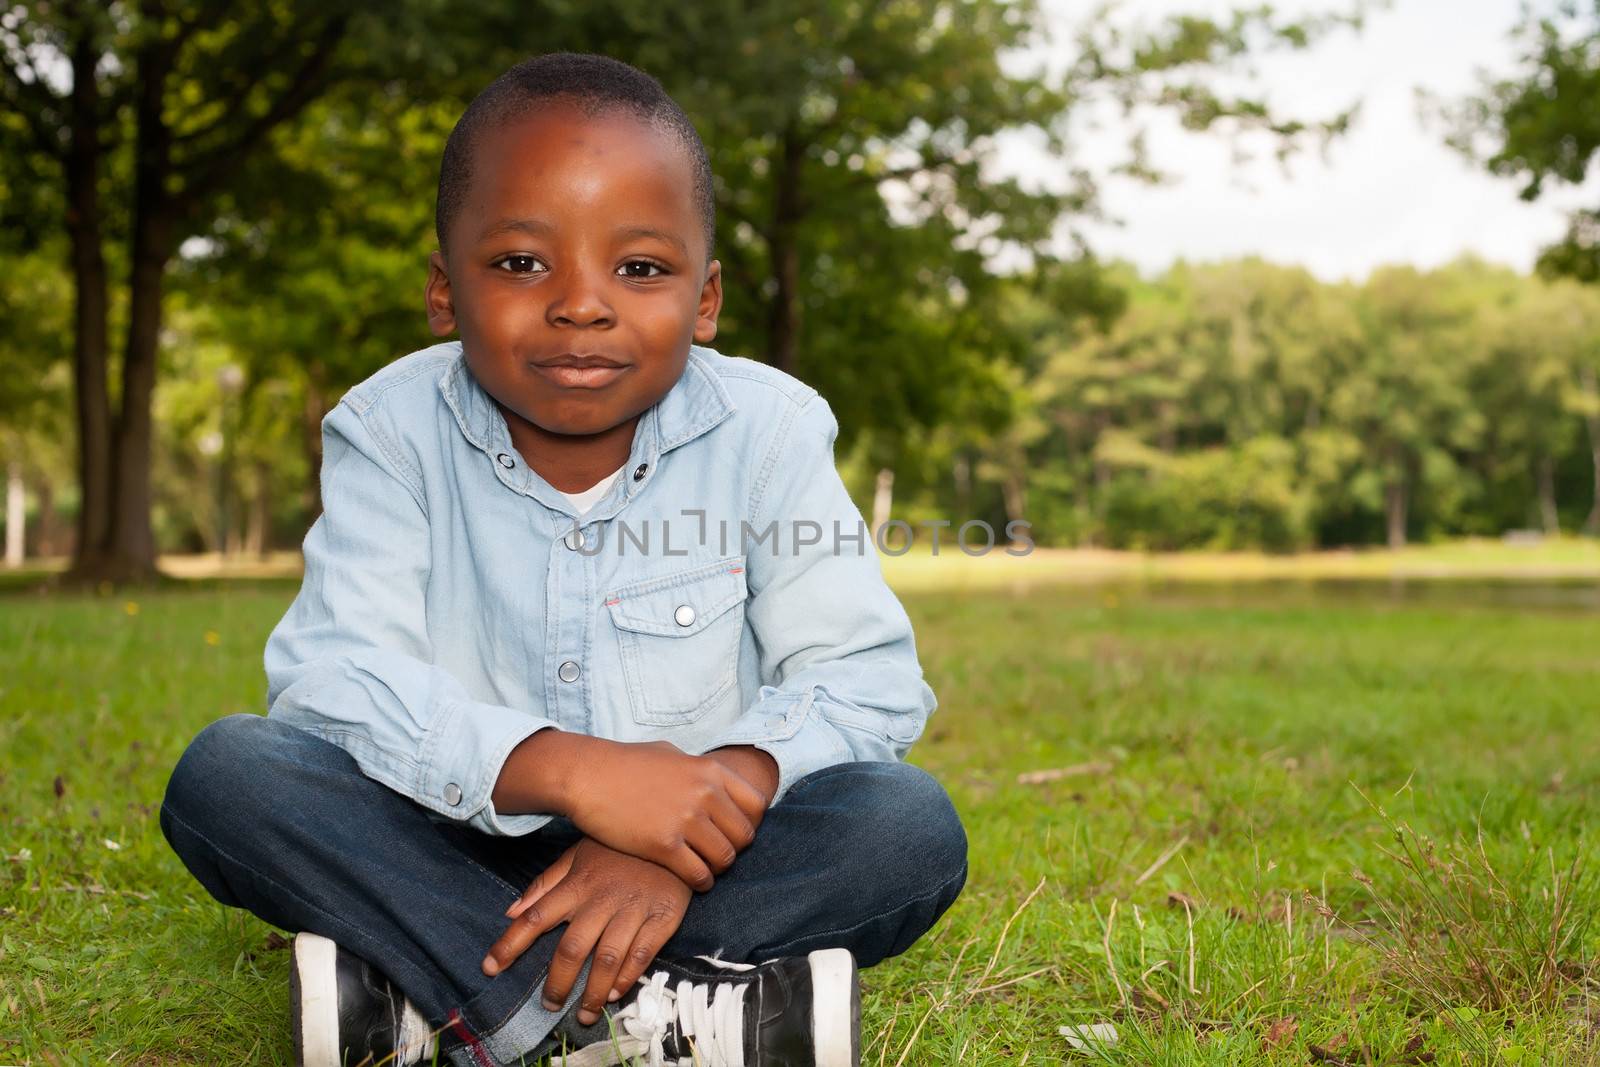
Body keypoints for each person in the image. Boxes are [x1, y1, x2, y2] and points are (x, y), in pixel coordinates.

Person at [160, 52, 967, 1067]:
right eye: (520, 263)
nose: (582, 305)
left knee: (904, 824)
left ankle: (429, 997)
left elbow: (865, 678)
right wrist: (573, 772)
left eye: (639, 268)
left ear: (705, 298)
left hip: (704, 849)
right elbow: (332, 679)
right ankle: (660, 1011)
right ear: (444, 290)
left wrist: (681, 823)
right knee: (230, 773)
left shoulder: (769, 432)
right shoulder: (389, 429)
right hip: (447, 834)